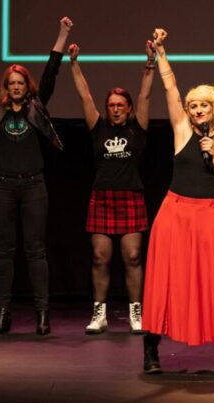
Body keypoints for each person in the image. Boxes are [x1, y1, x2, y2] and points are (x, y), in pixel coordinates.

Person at [141, 28, 214, 374]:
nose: (197, 110)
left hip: (207, 215)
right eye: (193, 105)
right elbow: (170, 87)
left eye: (203, 106)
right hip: (174, 212)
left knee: (212, 281)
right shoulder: (182, 131)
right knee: (164, 281)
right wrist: (162, 51)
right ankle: (150, 352)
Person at [0, 16, 72, 336]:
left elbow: (52, 71)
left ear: (27, 88)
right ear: (6, 87)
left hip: (33, 185)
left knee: (36, 250)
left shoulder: (37, 108)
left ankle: (42, 314)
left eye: (20, 83)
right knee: (3, 250)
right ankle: (3, 312)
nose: (15, 87)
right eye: (11, 83)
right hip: (2, 186)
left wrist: (63, 33)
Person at [66, 38, 155, 334]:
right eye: (111, 106)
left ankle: (135, 313)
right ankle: (99, 314)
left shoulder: (137, 127)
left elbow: (145, 95)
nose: (115, 109)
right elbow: (85, 97)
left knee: (132, 256)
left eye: (120, 106)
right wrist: (75, 64)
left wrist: (150, 63)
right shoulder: (98, 128)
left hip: (130, 195)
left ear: (128, 109)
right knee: (100, 256)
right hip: (102, 197)